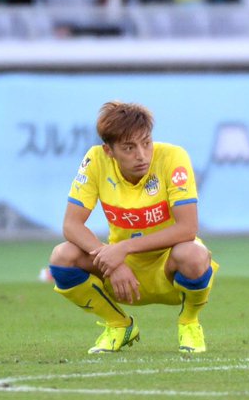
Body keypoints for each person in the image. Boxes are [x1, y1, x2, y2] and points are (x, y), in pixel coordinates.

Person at [47, 101, 218, 354]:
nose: (141, 154)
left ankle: (189, 322)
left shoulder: (173, 157)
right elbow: (71, 224)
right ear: (109, 150)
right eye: (129, 147)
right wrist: (113, 261)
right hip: (122, 276)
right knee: (62, 256)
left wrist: (122, 249)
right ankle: (118, 325)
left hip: (168, 268)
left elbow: (188, 229)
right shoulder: (95, 160)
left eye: (146, 143)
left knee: (193, 254)